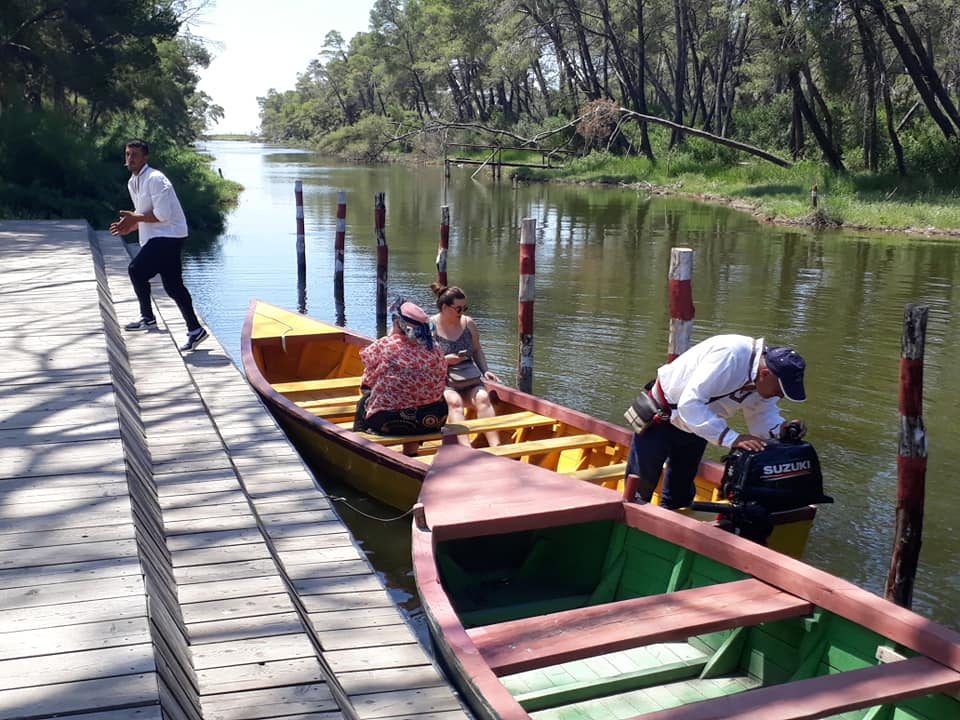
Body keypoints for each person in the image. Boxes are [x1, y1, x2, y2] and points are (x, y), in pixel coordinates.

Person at [626, 335, 808, 509]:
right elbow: (689, 404)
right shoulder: (731, 355)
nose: (781, 395)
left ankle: (669, 529)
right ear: (765, 373)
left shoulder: (764, 380)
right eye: (780, 390)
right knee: (640, 487)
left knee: (680, 495)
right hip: (661, 418)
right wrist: (732, 438)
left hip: (700, 425)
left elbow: (762, 416)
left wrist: (780, 430)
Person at [109, 138, 208, 352]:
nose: (130, 159)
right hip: (160, 236)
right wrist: (131, 225)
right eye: (127, 154)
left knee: (136, 271)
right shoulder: (132, 181)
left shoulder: (155, 178)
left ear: (146, 157)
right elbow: (145, 213)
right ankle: (195, 330)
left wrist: (135, 219)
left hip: (169, 235)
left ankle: (148, 318)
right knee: (173, 286)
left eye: (135, 155)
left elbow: (162, 215)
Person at [354, 299, 449, 455]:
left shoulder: (386, 345)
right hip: (433, 419)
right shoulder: (436, 348)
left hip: (391, 421)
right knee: (422, 400)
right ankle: (411, 453)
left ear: (398, 322)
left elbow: (368, 378)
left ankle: (362, 449)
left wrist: (392, 335)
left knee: (364, 401)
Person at [429, 283, 501, 447]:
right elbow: (424, 360)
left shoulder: (469, 324)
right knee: (455, 402)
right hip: (443, 379)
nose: (463, 312)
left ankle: (497, 446)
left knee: (483, 397)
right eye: (459, 308)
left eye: (465, 308)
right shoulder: (430, 327)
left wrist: (486, 370)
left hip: (469, 377)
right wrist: (445, 360)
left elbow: (477, 350)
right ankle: (465, 447)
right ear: (445, 307)